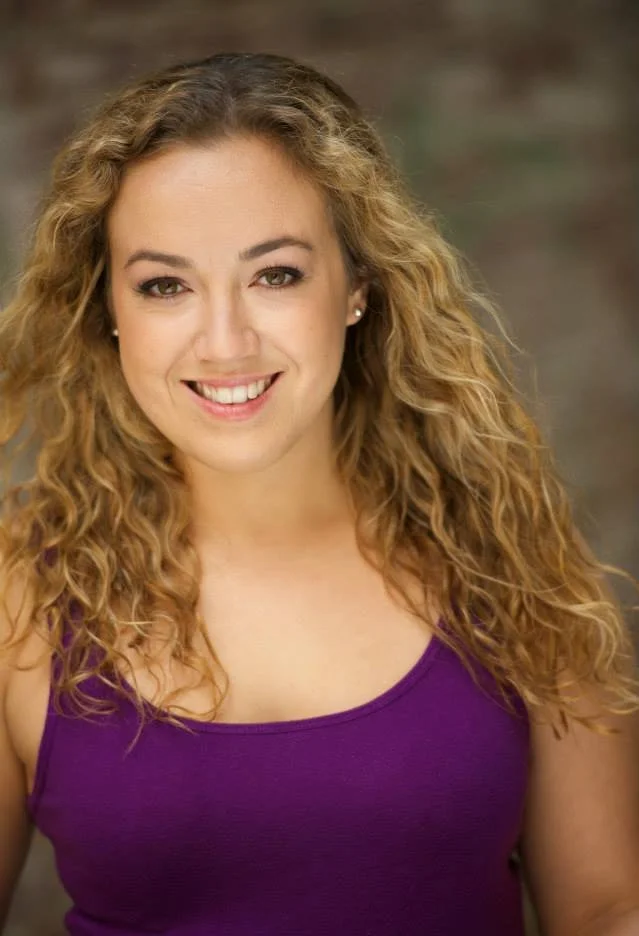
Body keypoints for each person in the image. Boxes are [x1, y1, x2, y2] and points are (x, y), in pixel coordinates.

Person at [0, 51, 637, 936]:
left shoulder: (507, 554)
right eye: (164, 286)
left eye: (275, 274)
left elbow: (606, 910)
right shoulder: (23, 591)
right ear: (109, 308)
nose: (224, 342)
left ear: (357, 289)